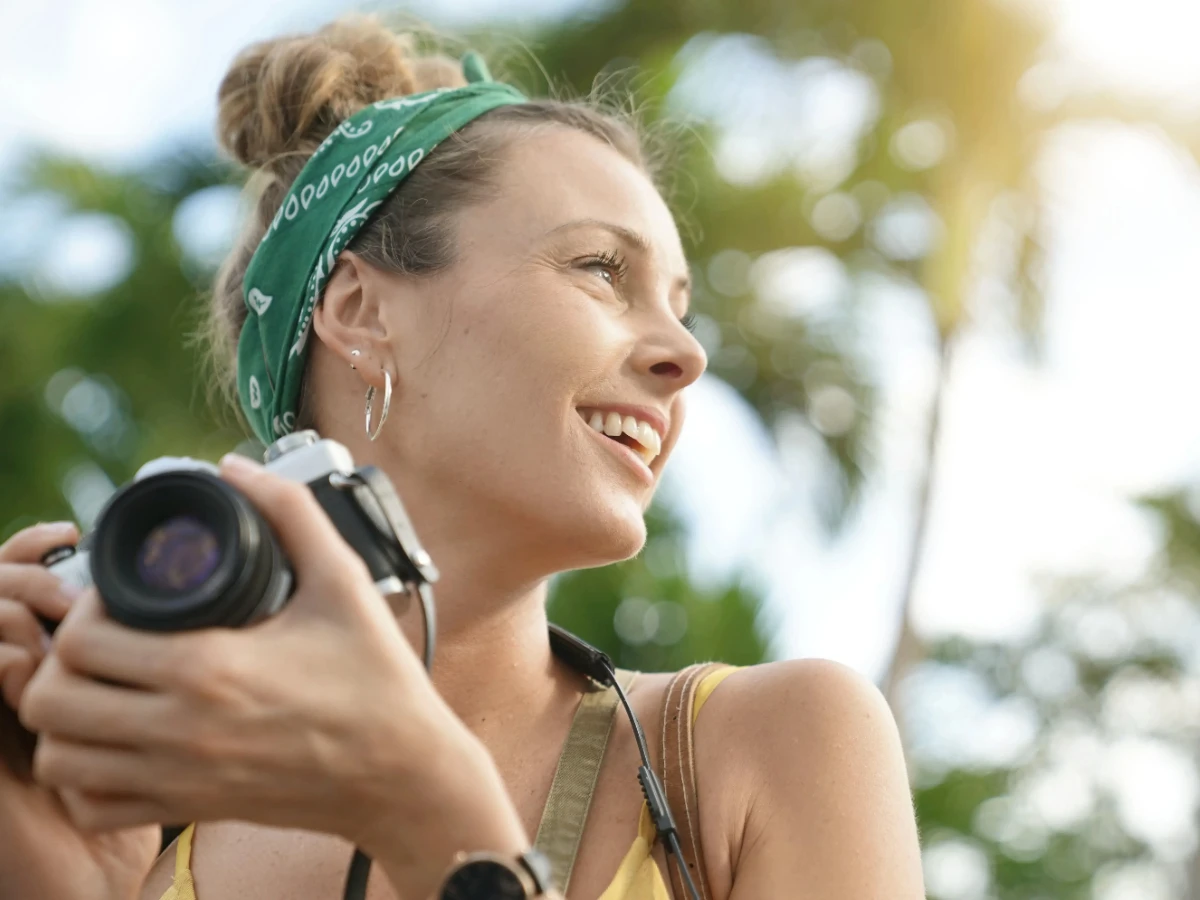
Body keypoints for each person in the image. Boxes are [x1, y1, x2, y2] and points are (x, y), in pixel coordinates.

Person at [0, 14, 925, 900]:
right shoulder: (142, 851)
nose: (687, 355)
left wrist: (431, 813)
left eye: (681, 305)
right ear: (361, 312)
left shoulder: (773, 748)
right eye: (602, 268)